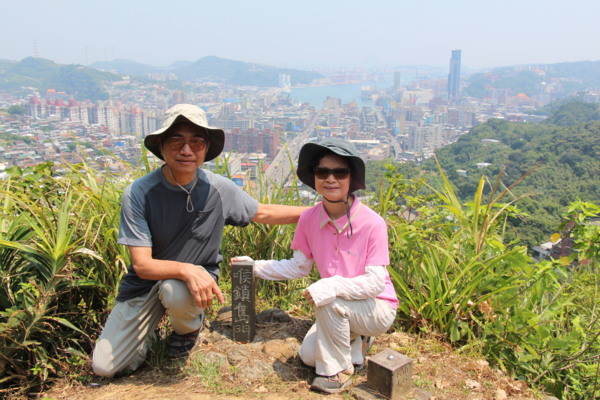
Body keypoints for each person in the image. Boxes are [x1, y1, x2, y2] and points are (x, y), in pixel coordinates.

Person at [92, 104, 306, 378]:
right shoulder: (139, 193)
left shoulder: (218, 188)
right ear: (161, 146)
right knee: (105, 367)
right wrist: (187, 269)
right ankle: (148, 336)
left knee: (174, 290)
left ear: (205, 149)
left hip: (188, 287)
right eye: (176, 141)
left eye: (196, 142)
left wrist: (321, 211)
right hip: (144, 285)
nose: (186, 150)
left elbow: (262, 212)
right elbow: (143, 265)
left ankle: (188, 329)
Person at [232, 137, 398, 394]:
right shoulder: (309, 219)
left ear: (351, 178)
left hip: (376, 307)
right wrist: (255, 266)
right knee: (308, 356)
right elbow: (298, 267)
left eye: (340, 172)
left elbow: (376, 283)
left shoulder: (372, 222)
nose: (331, 179)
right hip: (339, 307)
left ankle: (338, 371)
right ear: (315, 176)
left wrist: (331, 285)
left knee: (328, 301)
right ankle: (358, 341)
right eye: (323, 172)